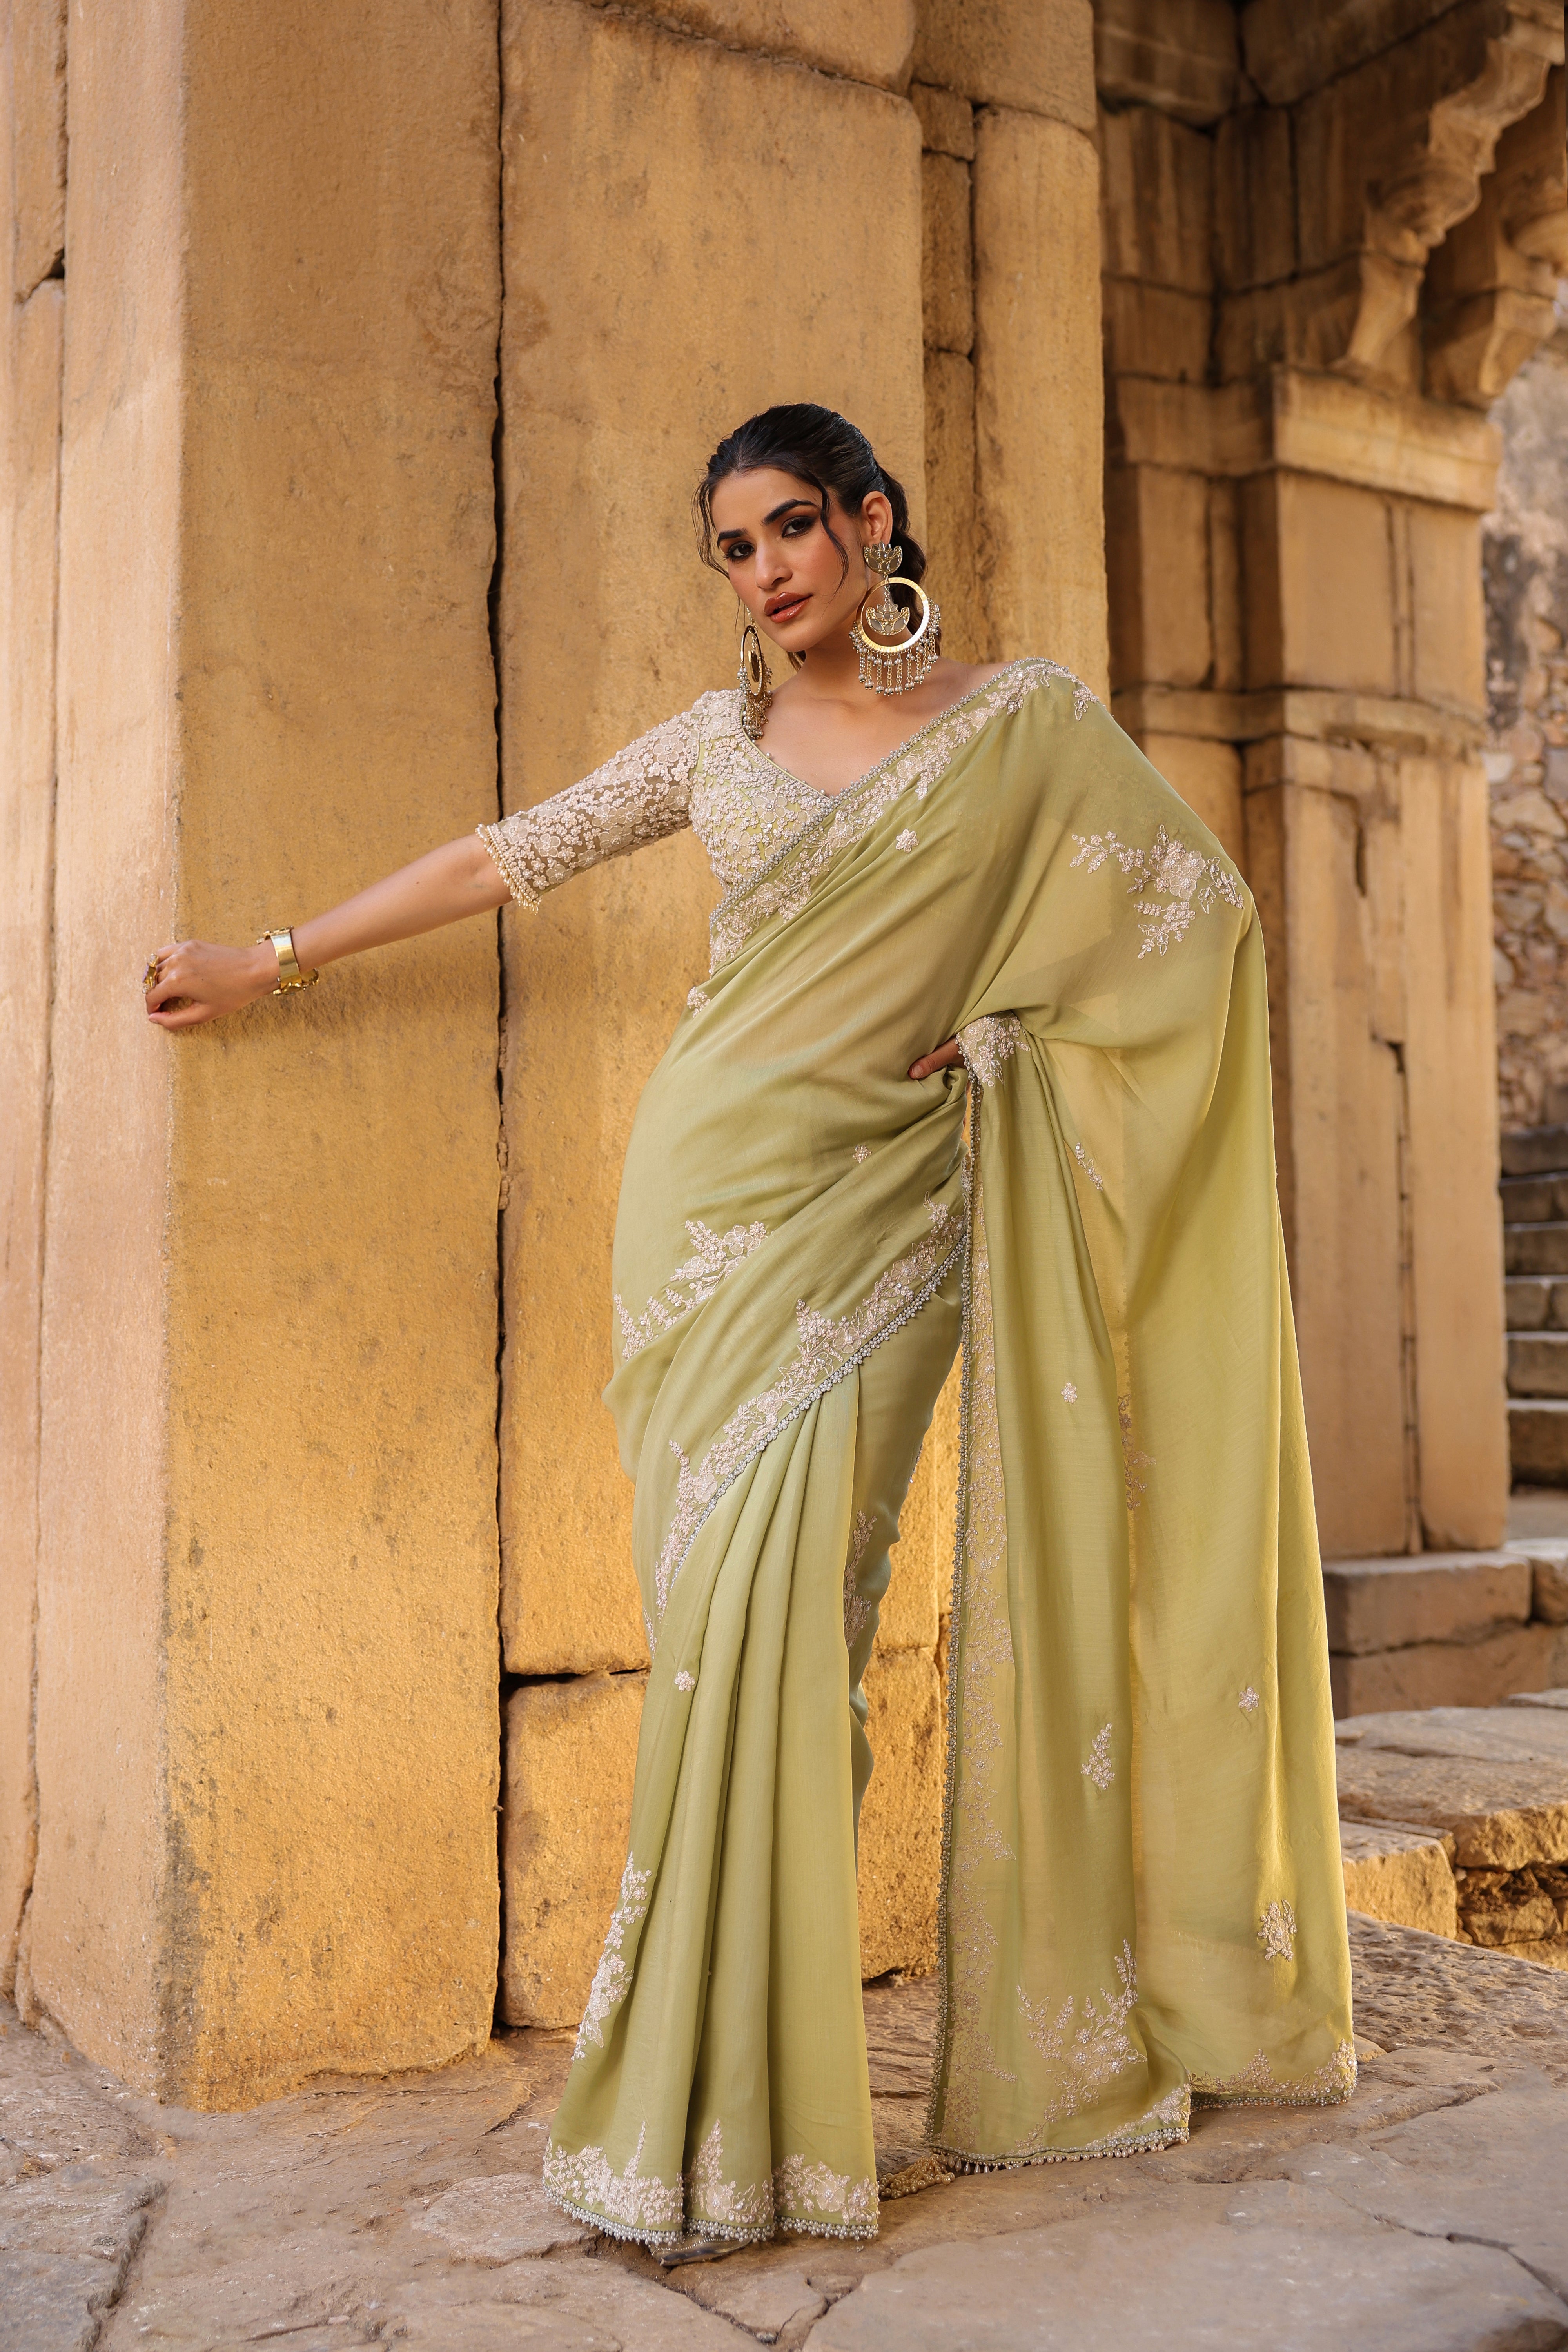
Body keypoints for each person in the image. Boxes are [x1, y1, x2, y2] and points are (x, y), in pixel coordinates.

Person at [144, 403, 1354, 2251]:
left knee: (805, 1631)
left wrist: (1015, 1025)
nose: (766, 570)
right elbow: (507, 855)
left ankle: (745, 2107)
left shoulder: (1025, 725)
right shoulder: (714, 744)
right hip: (703, 1214)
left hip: (889, 1215)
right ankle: (721, 2110)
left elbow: (1198, 921)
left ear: (872, 523)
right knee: (718, 1630)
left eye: (791, 526)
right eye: (733, 547)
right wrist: (274, 959)